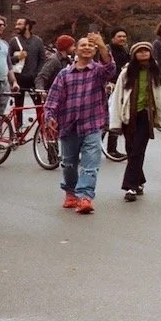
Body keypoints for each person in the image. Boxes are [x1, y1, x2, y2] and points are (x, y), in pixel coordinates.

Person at [43, 32, 117, 214]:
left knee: (91, 164)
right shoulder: (64, 74)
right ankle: (70, 192)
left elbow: (110, 68)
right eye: (83, 45)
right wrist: (50, 116)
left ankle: (85, 197)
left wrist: (102, 45)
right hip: (68, 125)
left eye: (90, 46)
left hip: (92, 124)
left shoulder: (98, 72)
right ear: (75, 50)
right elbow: (53, 98)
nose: (87, 48)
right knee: (69, 164)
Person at [108, 42, 161, 202]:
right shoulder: (126, 74)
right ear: (134, 55)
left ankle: (130, 186)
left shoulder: (157, 73)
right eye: (139, 51)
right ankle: (139, 181)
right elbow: (118, 97)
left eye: (146, 50)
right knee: (131, 148)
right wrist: (115, 121)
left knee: (137, 150)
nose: (143, 53)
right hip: (128, 115)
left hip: (146, 117)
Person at [8, 16, 46, 116]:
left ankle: (42, 130)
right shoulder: (13, 41)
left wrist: (38, 74)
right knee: (18, 107)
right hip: (19, 79)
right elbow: (7, 60)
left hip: (34, 79)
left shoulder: (38, 41)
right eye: (16, 24)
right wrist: (17, 58)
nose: (17, 26)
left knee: (39, 107)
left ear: (27, 26)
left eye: (19, 24)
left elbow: (42, 59)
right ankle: (18, 130)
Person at [104, 28, 130, 159]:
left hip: (121, 87)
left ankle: (111, 149)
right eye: (119, 36)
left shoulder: (126, 51)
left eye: (124, 36)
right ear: (113, 38)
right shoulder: (108, 51)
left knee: (116, 117)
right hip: (109, 87)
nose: (122, 39)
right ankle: (97, 147)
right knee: (106, 118)